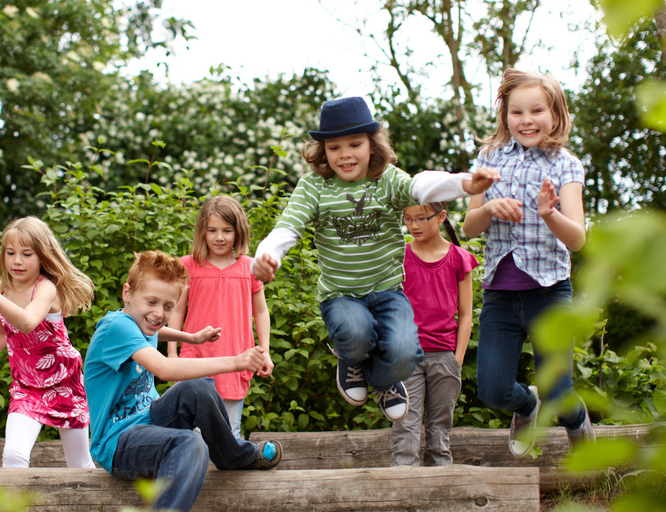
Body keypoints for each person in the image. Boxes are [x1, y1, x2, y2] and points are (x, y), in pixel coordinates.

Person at [252, 96, 498, 422]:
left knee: (403, 353)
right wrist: (267, 255)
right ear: (322, 151)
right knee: (356, 330)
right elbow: (289, 225)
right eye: (334, 147)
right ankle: (350, 359)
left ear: (372, 144)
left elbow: (421, 187)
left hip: (387, 291)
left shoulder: (387, 179)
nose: (345, 155)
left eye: (354, 144)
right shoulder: (314, 187)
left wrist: (464, 183)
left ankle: (385, 382)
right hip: (341, 295)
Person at [461, 68, 595, 457]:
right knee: (492, 389)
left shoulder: (565, 164)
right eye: (516, 112)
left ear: (555, 113)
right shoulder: (488, 158)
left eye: (537, 110)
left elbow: (578, 238)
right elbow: (470, 228)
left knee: (559, 392)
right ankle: (526, 406)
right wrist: (489, 208)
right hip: (501, 294)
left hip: (550, 293)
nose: (527, 120)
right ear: (505, 116)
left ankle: (575, 418)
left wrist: (550, 214)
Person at [85, 250, 282, 512]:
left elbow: (158, 329)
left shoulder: (141, 322)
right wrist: (235, 361)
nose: (159, 313)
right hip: (118, 443)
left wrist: (191, 338)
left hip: (150, 421)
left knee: (199, 387)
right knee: (190, 444)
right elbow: (164, 368)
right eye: (152, 302)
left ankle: (232, 456)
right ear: (127, 293)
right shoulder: (116, 328)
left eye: (169, 306)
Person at [0, 216, 96, 468]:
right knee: (13, 455)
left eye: (27, 254)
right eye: (10, 253)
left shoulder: (46, 288)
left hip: (65, 383)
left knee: (80, 465)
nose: (17, 261)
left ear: (43, 256)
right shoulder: (0, 290)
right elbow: (1, 332)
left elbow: (27, 322)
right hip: (27, 386)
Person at [167, 195, 272, 439]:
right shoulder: (187, 266)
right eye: (212, 230)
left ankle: (229, 477)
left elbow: (261, 310)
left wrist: (264, 350)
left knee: (229, 433)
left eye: (227, 230)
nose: (219, 237)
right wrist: (172, 354)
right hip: (193, 362)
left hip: (235, 361)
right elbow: (176, 311)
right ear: (202, 231)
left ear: (239, 232)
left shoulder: (250, 267)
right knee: (190, 434)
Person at [391, 202, 478, 467]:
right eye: (407, 219)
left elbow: (466, 315)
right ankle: (400, 494)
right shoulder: (399, 256)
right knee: (405, 428)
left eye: (421, 218)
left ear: (441, 217)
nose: (414, 226)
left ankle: (441, 493)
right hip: (407, 356)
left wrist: (457, 359)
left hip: (445, 356)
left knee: (440, 431)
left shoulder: (459, 258)